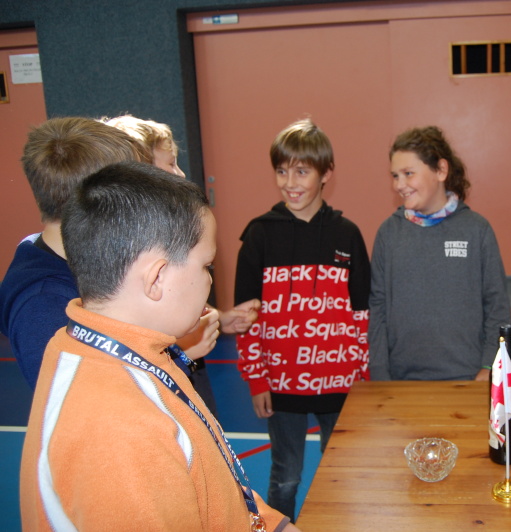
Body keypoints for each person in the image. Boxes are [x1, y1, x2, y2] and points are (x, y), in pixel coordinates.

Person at [19, 161, 298, 531]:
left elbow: (210, 486)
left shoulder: (129, 350)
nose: (209, 280)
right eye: (207, 266)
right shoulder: (118, 430)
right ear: (157, 277)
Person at [0, 117, 220, 390]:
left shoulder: (100, 261)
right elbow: (86, 398)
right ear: (96, 199)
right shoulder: (41, 304)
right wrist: (178, 353)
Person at [234, 118, 370, 521]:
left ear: (326, 174)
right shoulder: (259, 235)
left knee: (341, 474)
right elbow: (245, 318)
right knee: (286, 478)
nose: (289, 183)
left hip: (340, 383)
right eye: (282, 171)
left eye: (302, 172)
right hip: (281, 385)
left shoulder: (347, 235)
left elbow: (362, 314)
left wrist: (362, 376)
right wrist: (257, 379)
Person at [104, 113, 260, 414]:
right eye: (171, 163)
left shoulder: (163, 237)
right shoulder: (131, 261)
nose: (180, 173)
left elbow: (178, 300)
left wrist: (220, 318)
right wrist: (183, 355)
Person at [368, 125, 511, 381]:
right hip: (402, 381)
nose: (399, 185)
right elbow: (377, 309)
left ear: (441, 170)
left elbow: (497, 306)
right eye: (395, 176)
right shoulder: (388, 234)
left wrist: (491, 366)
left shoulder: (476, 230)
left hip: (468, 377)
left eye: (408, 173)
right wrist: (380, 372)